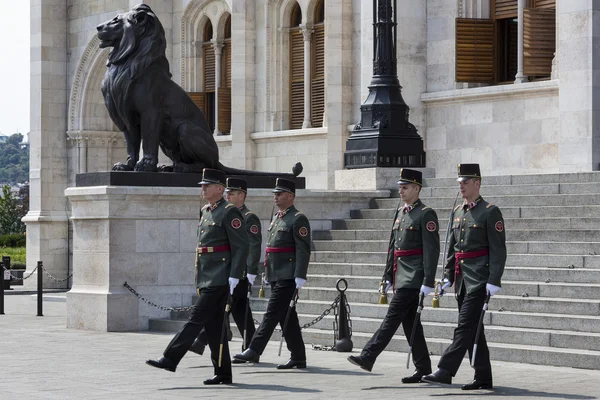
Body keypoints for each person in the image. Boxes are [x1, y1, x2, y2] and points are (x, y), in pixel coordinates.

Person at [145, 168, 249, 385]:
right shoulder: (206, 211)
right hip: (206, 276)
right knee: (214, 326)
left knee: (195, 319)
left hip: (221, 277)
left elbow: (241, 246)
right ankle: (223, 373)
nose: (203, 188)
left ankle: (170, 358)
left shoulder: (229, 212)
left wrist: (234, 276)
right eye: (202, 185)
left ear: (219, 189)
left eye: (207, 185)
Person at [347, 168, 439, 383]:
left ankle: (368, 356)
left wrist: (427, 280)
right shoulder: (401, 212)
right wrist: (387, 275)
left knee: (391, 318)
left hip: (414, 276)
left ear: (417, 188)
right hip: (400, 276)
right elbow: (393, 248)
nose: (401, 190)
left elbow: (431, 250)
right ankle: (424, 368)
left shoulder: (425, 214)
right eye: (400, 187)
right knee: (410, 325)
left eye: (405, 187)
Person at [422, 163, 506, 390]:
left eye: (465, 182)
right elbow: (452, 248)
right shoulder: (458, 212)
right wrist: (448, 275)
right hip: (462, 280)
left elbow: (498, 250)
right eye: (460, 183)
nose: (461, 186)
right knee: (474, 329)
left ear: (477, 183)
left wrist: (494, 280)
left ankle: (445, 370)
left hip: (479, 279)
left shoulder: (490, 211)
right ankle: (483, 377)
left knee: (465, 326)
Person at [232, 178, 311, 369]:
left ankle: (254, 349)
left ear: (291, 196)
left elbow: (303, 249)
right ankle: (298, 356)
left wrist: (300, 275)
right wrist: (267, 272)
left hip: (288, 274)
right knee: (287, 317)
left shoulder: (298, 218)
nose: (276, 197)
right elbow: (270, 248)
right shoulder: (277, 217)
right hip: (276, 273)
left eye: (280, 193)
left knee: (272, 313)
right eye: (275, 194)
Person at [189, 177, 262, 359]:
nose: (228, 196)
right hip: (227, 270)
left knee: (226, 308)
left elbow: (252, 246)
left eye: (232, 193)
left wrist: (251, 270)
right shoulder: (221, 212)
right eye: (227, 192)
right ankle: (250, 346)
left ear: (242, 195)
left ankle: (202, 339)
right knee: (237, 310)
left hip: (239, 272)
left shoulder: (248, 216)